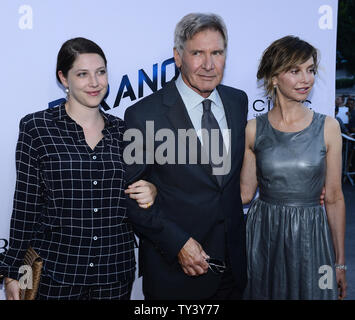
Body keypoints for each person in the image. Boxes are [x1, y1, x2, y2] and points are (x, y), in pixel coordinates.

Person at [0, 37, 157, 300]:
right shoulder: (36, 128)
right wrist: (14, 272)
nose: (95, 83)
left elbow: (144, 186)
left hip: (114, 274)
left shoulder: (126, 131)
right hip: (53, 274)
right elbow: (25, 207)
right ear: (63, 78)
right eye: (82, 74)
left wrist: (153, 189)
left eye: (101, 72)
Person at [124, 13, 248, 300]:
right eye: (197, 53)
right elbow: (130, 195)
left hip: (233, 268)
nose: (208, 64)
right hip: (175, 272)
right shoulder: (144, 115)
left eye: (217, 53)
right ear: (178, 57)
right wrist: (177, 242)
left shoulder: (237, 101)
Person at [240, 36, 347, 300]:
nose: (306, 79)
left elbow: (334, 198)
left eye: (310, 70)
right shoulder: (254, 129)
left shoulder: (329, 127)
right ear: (274, 78)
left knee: (320, 292)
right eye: (295, 70)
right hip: (264, 235)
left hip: (313, 236)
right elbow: (243, 194)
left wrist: (340, 262)